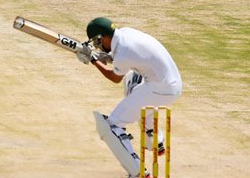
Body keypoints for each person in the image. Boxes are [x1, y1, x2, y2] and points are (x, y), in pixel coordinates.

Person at [77, 17, 182, 178]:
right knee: (132, 81)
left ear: (102, 37)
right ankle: (154, 140)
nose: (98, 46)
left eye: (97, 43)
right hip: (171, 84)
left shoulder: (123, 52)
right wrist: (105, 57)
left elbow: (114, 77)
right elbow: (128, 57)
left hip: (159, 90)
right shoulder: (125, 33)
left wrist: (92, 60)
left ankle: (138, 172)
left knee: (111, 125)